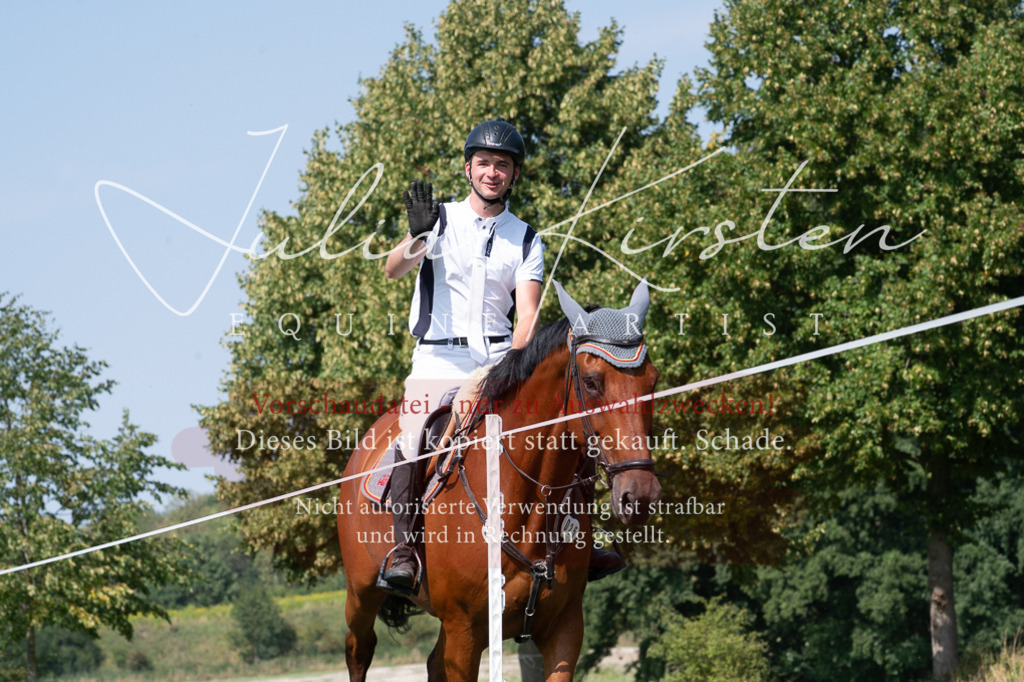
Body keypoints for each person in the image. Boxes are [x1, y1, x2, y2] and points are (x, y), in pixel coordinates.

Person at [381, 120, 543, 591]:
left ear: (514, 175)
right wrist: (417, 236)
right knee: (413, 433)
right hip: (437, 360)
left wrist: (514, 366)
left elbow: (527, 316)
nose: (493, 172)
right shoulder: (440, 219)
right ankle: (405, 551)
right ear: (468, 168)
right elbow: (392, 270)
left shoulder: (527, 238)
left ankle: (575, 536)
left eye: (503, 165)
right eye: (484, 163)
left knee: (555, 428)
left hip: (499, 359)